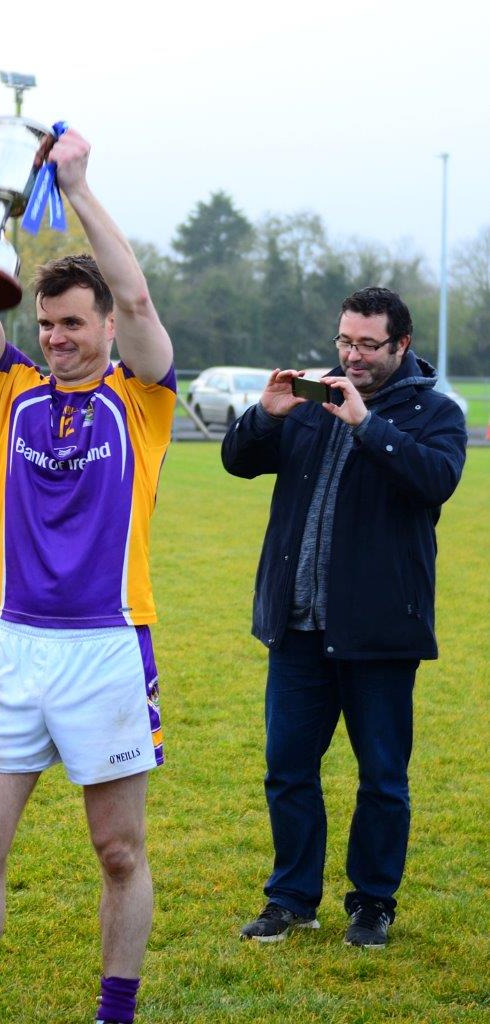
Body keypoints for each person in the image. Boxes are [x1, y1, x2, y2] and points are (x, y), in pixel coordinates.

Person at [0, 124, 175, 1024]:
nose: (58, 338)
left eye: (74, 323)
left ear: (106, 325)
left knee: (118, 852)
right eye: (46, 325)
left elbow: (142, 295)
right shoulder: (11, 391)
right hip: (16, 647)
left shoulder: (141, 398)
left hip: (110, 649)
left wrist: (74, 184)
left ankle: (114, 1014)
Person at [222, 286, 467, 948]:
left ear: (401, 346)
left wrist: (367, 424)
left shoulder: (435, 414)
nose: (352, 355)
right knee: (288, 768)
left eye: (367, 344)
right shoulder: (311, 403)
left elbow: (434, 480)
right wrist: (265, 416)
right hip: (298, 627)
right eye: (344, 341)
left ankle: (373, 904)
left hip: (381, 631)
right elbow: (238, 462)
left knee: (382, 777)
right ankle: (292, 898)